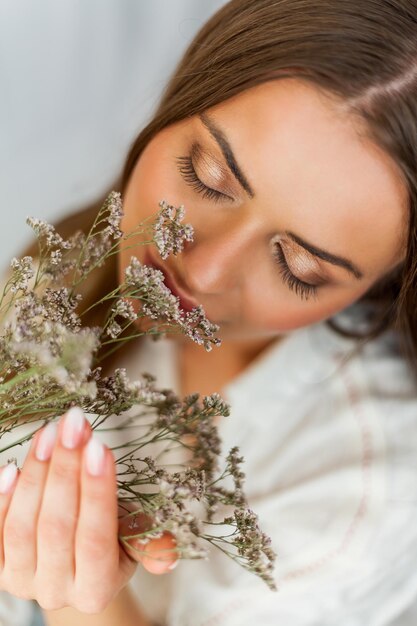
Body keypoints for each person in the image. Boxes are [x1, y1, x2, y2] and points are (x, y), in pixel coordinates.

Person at [1, 0, 417, 624]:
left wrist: (83, 599)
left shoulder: (358, 506)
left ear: (380, 291)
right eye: (208, 176)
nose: (203, 269)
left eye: (297, 266)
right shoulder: (66, 269)